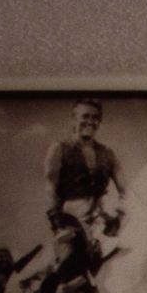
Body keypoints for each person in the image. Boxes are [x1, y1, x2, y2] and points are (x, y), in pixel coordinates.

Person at [44, 97, 123, 246]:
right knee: (72, 259)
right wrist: (58, 225)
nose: (90, 122)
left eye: (95, 118)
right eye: (85, 116)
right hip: (71, 217)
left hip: (103, 215)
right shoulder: (59, 149)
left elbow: (125, 189)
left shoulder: (108, 153)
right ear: (73, 120)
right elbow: (50, 188)